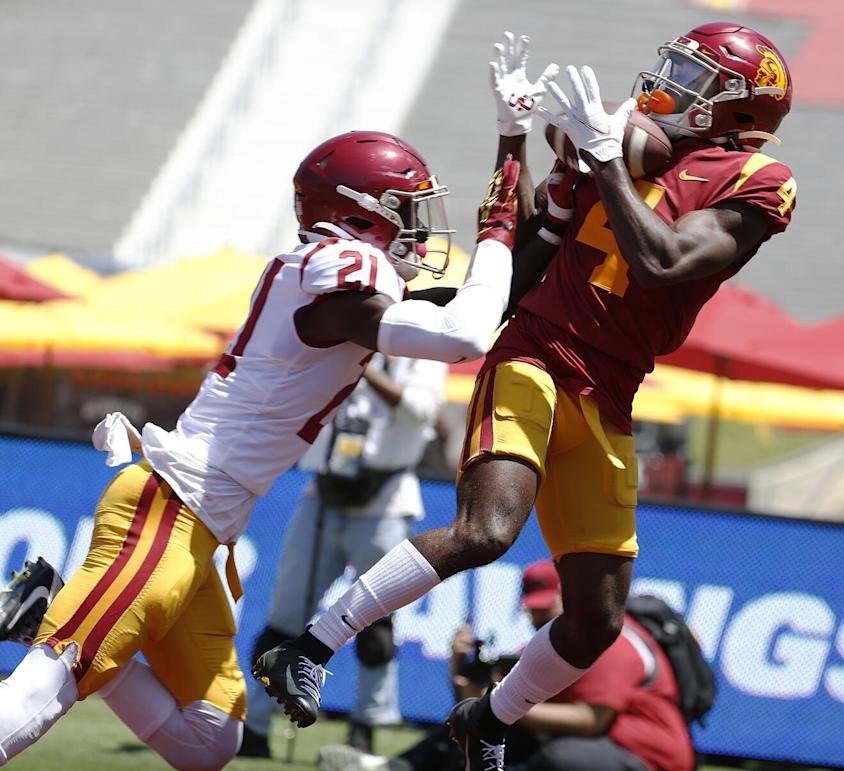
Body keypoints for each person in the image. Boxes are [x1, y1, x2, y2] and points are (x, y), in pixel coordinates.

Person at [257, 23, 797, 771]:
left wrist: (603, 156)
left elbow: (663, 258)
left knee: (597, 620)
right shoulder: (626, 145)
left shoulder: (757, 183)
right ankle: (310, 646)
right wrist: (526, 143)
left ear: (737, 109)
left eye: (696, 78)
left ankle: (491, 718)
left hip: (610, 392)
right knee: (487, 531)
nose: (669, 84)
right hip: (536, 355)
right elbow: (524, 257)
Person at [0, 131, 522, 769]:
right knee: (51, 681)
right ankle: (53, 625)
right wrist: (498, 226)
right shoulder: (334, 272)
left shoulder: (331, 281)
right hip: (170, 508)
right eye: (404, 212)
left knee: (210, 739)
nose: (418, 233)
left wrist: (519, 164)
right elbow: (465, 331)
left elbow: (468, 313)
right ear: (358, 214)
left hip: (205, 524)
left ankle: (44, 609)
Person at [240, 353, 446, 757]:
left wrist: (365, 367)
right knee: (283, 621)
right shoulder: (343, 341)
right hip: (324, 493)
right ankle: (257, 726)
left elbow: (420, 412)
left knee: (377, 626)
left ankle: (365, 724)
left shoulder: (424, 351)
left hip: (385, 499)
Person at [315, 560, 695, 771]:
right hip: (595, 745)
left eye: (547, 608)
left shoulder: (610, 638)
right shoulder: (550, 639)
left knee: (556, 761)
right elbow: (483, 706)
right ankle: (393, 768)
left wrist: (501, 709)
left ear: (572, 595)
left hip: (646, 758)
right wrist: (460, 670)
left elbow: (593, 720)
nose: (537, 618)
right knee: (474, 728)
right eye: (533, 611)